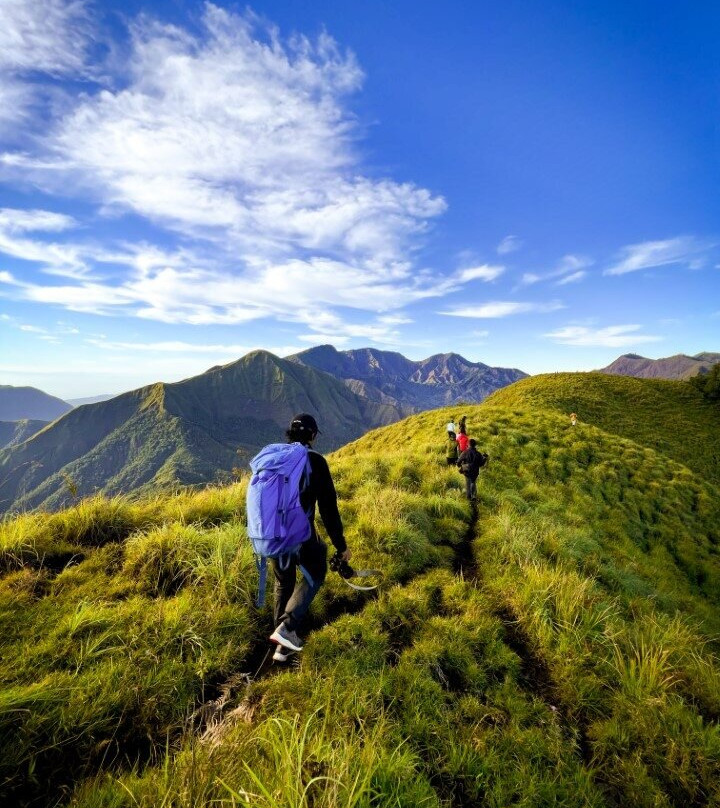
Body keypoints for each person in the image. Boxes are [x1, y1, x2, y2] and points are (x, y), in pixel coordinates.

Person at [269, 413, 351, 662]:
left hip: (272, 535)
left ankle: (280, 646)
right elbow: (328, 510)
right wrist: (341, 546)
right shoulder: (315, 461)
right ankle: (286, 628)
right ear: (313, 436)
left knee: (284, 583)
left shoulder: (273, 459)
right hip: (300, 534)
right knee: (316, 573)